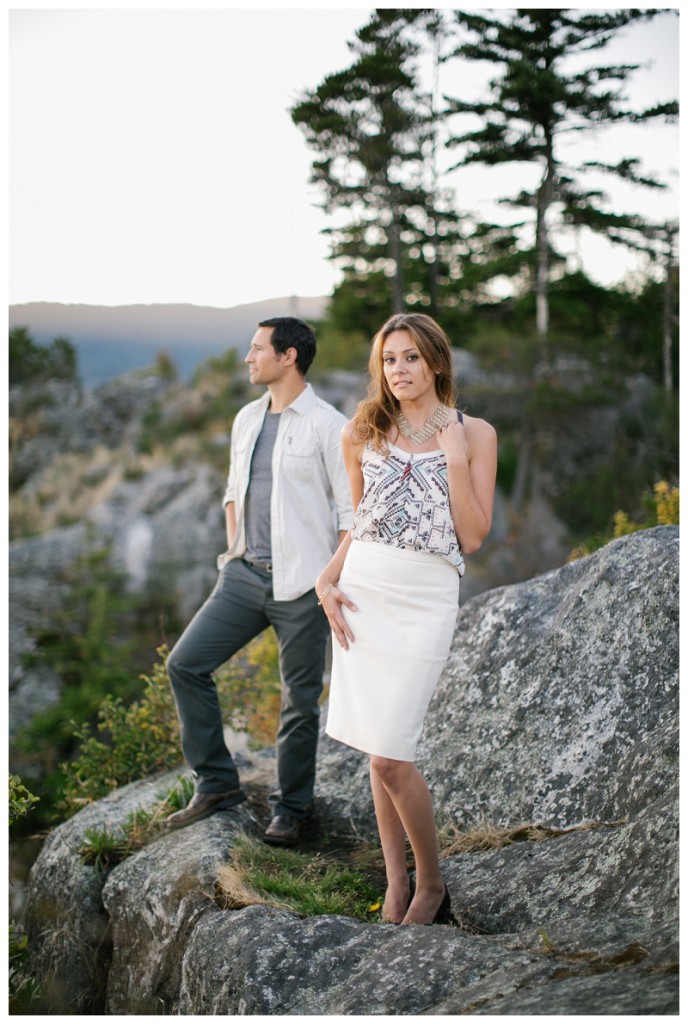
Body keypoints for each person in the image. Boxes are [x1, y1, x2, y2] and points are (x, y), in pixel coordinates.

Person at [316, 312, 497, 925]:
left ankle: (432, 884)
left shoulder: (477, 435)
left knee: (393, 753)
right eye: (390, 359)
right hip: (364, 587)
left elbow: (472, 537)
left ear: (437, 363)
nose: (399, 370)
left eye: (411, 358)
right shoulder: (360, 431)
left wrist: (452, 458)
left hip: (425, 596)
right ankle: (396, 886)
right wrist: (328, 574)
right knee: (377, 746)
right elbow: (361, 515)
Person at [165, 316, 353, 846]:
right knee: (185, 665)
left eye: (256, 349)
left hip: (303, 588)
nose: (248, 358)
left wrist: (330, 581)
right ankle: (217, 783)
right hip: (244, 577)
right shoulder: (247, 418)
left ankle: (291, 809)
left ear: (288, 356)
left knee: (299, 699)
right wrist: (232, 552)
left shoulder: (328, 425)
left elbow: (350, 515)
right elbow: (233, 490)